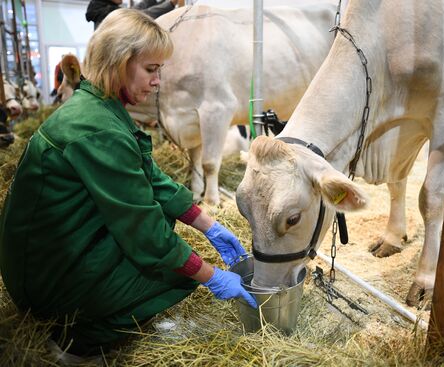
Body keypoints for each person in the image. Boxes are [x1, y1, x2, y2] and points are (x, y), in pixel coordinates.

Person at [0, 8, 256, 359]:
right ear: (120, 62)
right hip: (44, 278)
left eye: (159, 70)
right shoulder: (98, 128)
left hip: (46, 253)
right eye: (151, 69)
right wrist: (211, 275)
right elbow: (145, 231)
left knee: (168, 243)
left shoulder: (101, 106)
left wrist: (210, 227)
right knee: (175, 274)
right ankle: (77, 339)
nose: (158, 81)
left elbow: (150, 178)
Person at [86, 0, 178, 30]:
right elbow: (138, 15)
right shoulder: (107, 14)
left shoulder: (105, 10)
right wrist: (170, 4)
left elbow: (133, 10)